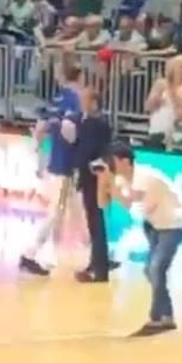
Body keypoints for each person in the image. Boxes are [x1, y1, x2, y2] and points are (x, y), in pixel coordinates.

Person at [102, 143, 182, 336]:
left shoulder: (145, 178)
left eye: (113, 161)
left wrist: (116, 192)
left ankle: (158, 318)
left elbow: (136, 209)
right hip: (155, 225)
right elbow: (110, 203)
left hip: (172, 225)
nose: (111, 164)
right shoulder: (126, 178)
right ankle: (165, 315)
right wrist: (107, 184)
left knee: (156, 268)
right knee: (151, 270)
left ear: (125, 161)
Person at [20, 64, 83, 276]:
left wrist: (38, 154)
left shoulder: (56, 100)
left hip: (57, 162)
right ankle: (30, 253)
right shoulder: (75, 101)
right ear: (80, 77)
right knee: (57, 212)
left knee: (73, 211)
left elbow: (39, 130)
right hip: (66, 165)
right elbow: (71, 132)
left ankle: (86, 255)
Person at [70, 86, 113, 283]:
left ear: (94, 103)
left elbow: (92, 151)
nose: (81, 102)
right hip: (90, 176)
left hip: (95, 176)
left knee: (96, 222)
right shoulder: (88, 122)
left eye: (85, 99)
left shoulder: (97, 124)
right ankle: (96, 263)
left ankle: (100, 268)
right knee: (94, 222)